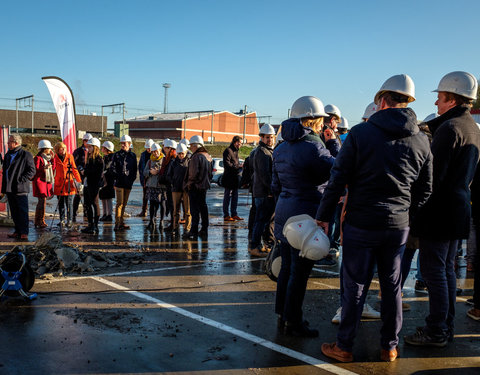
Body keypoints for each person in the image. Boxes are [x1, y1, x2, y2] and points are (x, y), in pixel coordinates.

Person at [316, 74, 432, 363]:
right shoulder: (421, 140)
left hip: (361, 223)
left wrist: (323, 216)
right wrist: (407, 212)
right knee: (392, 287)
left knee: (354, 285)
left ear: (382, 101)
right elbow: (426, 188)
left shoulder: (359, 134)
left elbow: (337, 178)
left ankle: (344, 346)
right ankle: (389, 347)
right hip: (397, 226)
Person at [405, 71, 480, 347]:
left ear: (451, 97)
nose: (436, 103)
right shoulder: (471, 127)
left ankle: (437, 329)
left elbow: (432, 178)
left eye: (439, 97)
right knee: (446, 269)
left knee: (434, 270)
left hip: (439, 211)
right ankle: (444, 325)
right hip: (458, 208)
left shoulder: (449, 129)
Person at [273, 96, 335, 338]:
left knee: (287, 267)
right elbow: (336, 170)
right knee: (300, 272)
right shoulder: (314, 146)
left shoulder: (280, 147)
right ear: (314, 120)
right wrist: (334, 145)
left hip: (285, 209)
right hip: (306, 213)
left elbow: (275, 184)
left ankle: (282, 313)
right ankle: (294, 320)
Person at [1, 134, 35, 240]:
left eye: (10, 141)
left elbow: (32, 171)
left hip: (20, 188)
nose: (8, 143)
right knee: (14, 211)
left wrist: (21, 179)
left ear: (16, 143)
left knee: (22, 211)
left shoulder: (25, 154)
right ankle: (17, 230)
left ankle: (24, 232)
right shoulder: (8, 155)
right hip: (9, 188)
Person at [249, 124, 275, 256]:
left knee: (264, 221)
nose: (270, 140)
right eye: (267, 137)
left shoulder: (267, 151)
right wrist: (271, 190)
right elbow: (265, 175)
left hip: (263, 192)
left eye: (271, 137)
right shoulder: (262, 152)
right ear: (262, 138)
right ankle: (255, 246)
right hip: (263, 192)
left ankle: (262, 244)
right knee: (260, 221)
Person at [183, 135, 212, 239]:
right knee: (203, 208)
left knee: (194, 209)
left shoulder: (196, 157)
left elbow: (193, 174)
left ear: (196, 145)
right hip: (204, 186)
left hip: (195, 187)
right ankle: (204, 229)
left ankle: (193, 230)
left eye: (191, 145)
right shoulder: (207, 156)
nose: (190, 147)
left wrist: (188, 184)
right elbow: (210, 174)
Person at [110, 134, 137, 231]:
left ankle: (121, 222)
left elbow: (134, 170)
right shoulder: (117, 155)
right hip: (119, 183)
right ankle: (117, 223)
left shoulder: (133, 156)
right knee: (119, 203)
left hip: (128, 183)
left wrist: (131, 180)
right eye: (121, 143)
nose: (122, 145)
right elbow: (112, 168)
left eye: (124, 143)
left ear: (129, 144)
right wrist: (117, 178)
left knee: (124, 203)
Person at [53, 142, 82, 228]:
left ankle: (69, 220)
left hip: (69, 184)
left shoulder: (70, 157)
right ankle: (62, 220)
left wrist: (79, 181)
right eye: (61, 149)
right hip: (59, 183)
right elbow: (52, 169)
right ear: (58, 150)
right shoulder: (55, 158)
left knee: (69, 204)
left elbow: (74, 169)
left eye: (64, 148)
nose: (63, 150)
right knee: (60, 204)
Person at [81, 138, 104, 234]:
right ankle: (90, 225)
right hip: (87, 183)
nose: (88, 148)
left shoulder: (99, 159)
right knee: (87, 204)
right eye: (88, 147)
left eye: (90, 147)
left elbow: (96, 173)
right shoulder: (89, 158)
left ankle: (95, 225)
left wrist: (85, 171)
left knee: (95, 204)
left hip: (94, 185)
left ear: (95, 148)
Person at [168, 142, 191, 235]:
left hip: (186, 189)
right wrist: (173, 182)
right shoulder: (173, 162)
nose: (181, 155)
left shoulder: (189, 162)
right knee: (175, 210)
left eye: (182, 153)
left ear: (185, 153)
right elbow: (168, 175)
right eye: (179, 153)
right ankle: (175, 227)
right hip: (176, 189)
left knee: (187, 211)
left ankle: (187, 228)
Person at [32, 140, 55, 229]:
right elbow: (35, 170)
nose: (50, 150)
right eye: (49, 148)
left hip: (45, 181)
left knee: (43, 202)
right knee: (41, 201)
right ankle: (39, 220)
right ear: (45, 149)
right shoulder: (38, 158)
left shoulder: (47, 158)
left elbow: (53, 167)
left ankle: (40, 220)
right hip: (40, 182)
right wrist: (44, 168)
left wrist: (53, 159)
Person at [143, 143, 164, 230]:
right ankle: (152, 221)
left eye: (156, 151)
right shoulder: (149, 161)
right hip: (151, 185)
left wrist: (158, 171)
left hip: (161, 186)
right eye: (153, 152)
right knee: (152, 204)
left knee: (162, 204)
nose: (155, 153)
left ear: (160, 151)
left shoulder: (164, 160)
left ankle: (161, 221)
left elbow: (167, 171)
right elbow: (144, 172)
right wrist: (150, 172)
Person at [72, 133, 92, 222]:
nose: (87, 143)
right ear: (83, 141)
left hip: (88, 176)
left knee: (87, 196)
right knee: (78, 195)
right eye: (86, 141)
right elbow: (73, 162)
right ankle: (73, 214)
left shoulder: (92, 151)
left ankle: (86, 213)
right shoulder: (78, 151)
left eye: (89, 141)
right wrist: (80, 168)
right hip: (79, 177)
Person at [222, 136, 243, 221]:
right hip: (228, 178)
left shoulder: (235, 151)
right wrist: (238, 166)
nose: (240, 145)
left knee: (235, 197)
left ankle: (234, 214)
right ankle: (226, 215)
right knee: (227, 197)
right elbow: (227, 164)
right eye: (239, 143)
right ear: (235, 142)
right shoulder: (228, 151)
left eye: (241, 143)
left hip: (235, 178)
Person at [161, 139, 177, 231]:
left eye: (165, 147)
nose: (163, 149)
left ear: (170, 148)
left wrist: (166, 179)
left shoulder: (172, 159)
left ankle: (173, 224)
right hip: (168, 185)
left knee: (172, 205)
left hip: (171, 186)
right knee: (170, 204)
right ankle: (173, 222)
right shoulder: (168, 158)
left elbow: (172, 174)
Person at [99, 141, 115, 222]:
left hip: (109, 180)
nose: (102, 149)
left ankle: (109, 214)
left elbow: (108, 168)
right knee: (103, 197)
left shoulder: (111, 157)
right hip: (104, 180)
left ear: (106, 149)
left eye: (103, 147)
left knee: (108, 198)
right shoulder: (105, 157)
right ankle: (105, 214)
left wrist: (104, 172)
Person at [137, 139, 154, 217]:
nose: (149, 150)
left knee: (153, 197)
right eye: (147, 148)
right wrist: (142, 177)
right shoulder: (143, 155)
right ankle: (144, 211)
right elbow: (140, 166)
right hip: (145, 178)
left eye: (150, 148)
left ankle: (152, 213)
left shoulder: (155, 154)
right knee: (145, 196)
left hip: (153, 179)